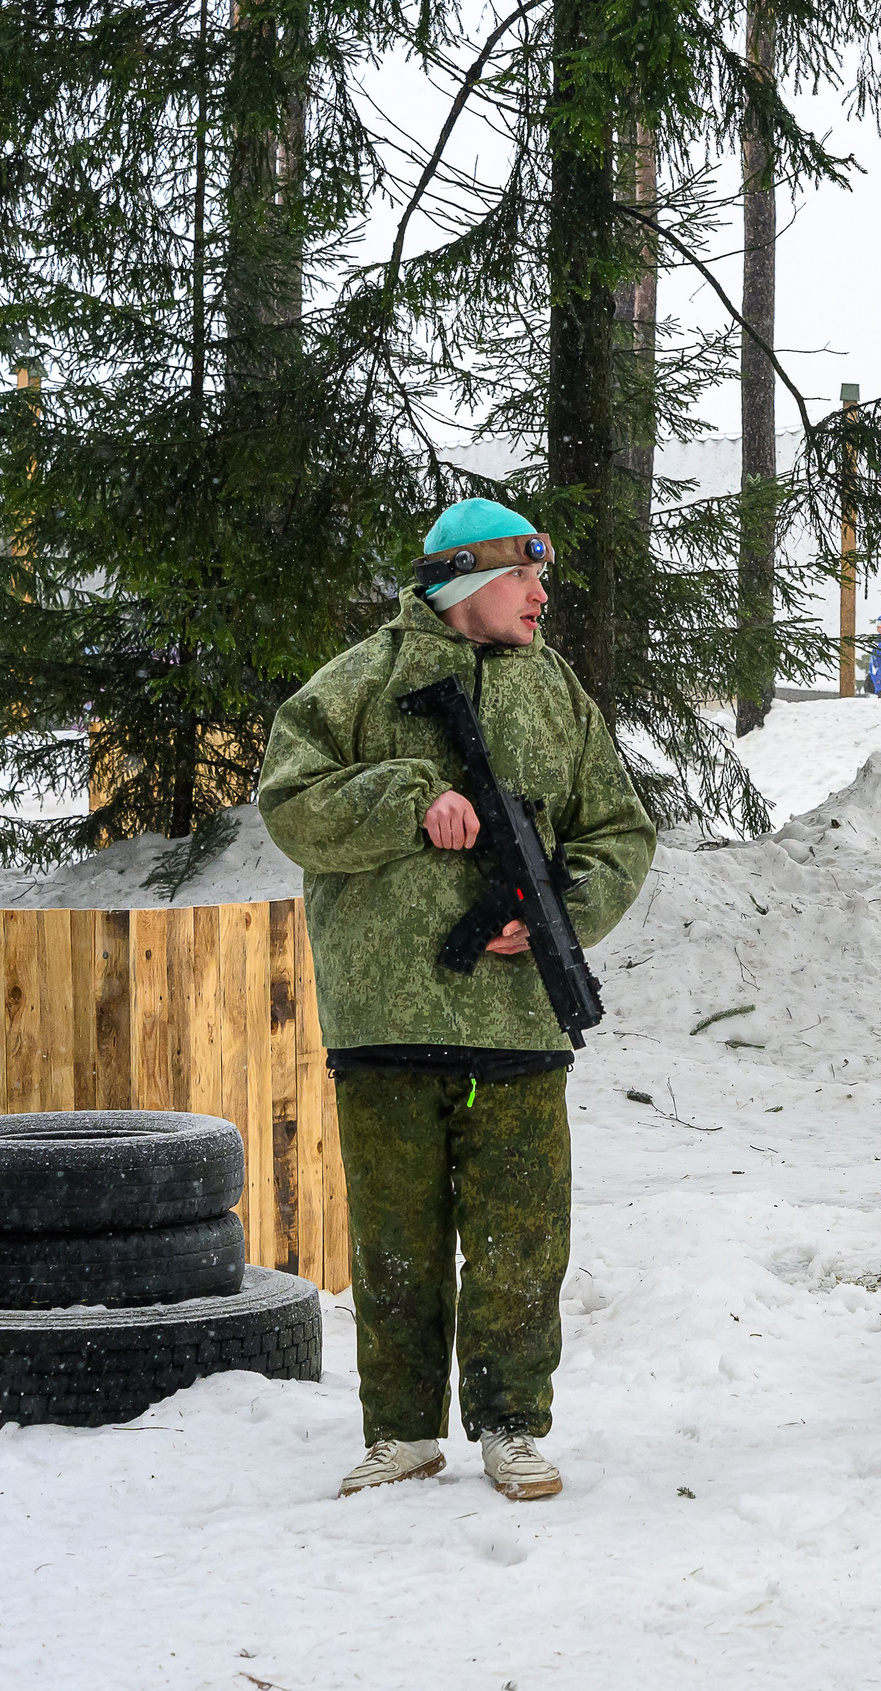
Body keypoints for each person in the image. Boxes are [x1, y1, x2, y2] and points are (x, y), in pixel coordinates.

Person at [259, 498, 658, 1502]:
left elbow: (620, 830)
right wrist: (405, 800)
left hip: (517, 1018)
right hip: (385, 1017)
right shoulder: (359, 681)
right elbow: (292, 804)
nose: (540, 596)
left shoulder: (556, 694)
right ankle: (399, 1431)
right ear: (469, 580)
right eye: (525, 578)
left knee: (522, 1237)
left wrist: (564, 912)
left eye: (544, 580)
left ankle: (514, 1424)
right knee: (395, 1241)